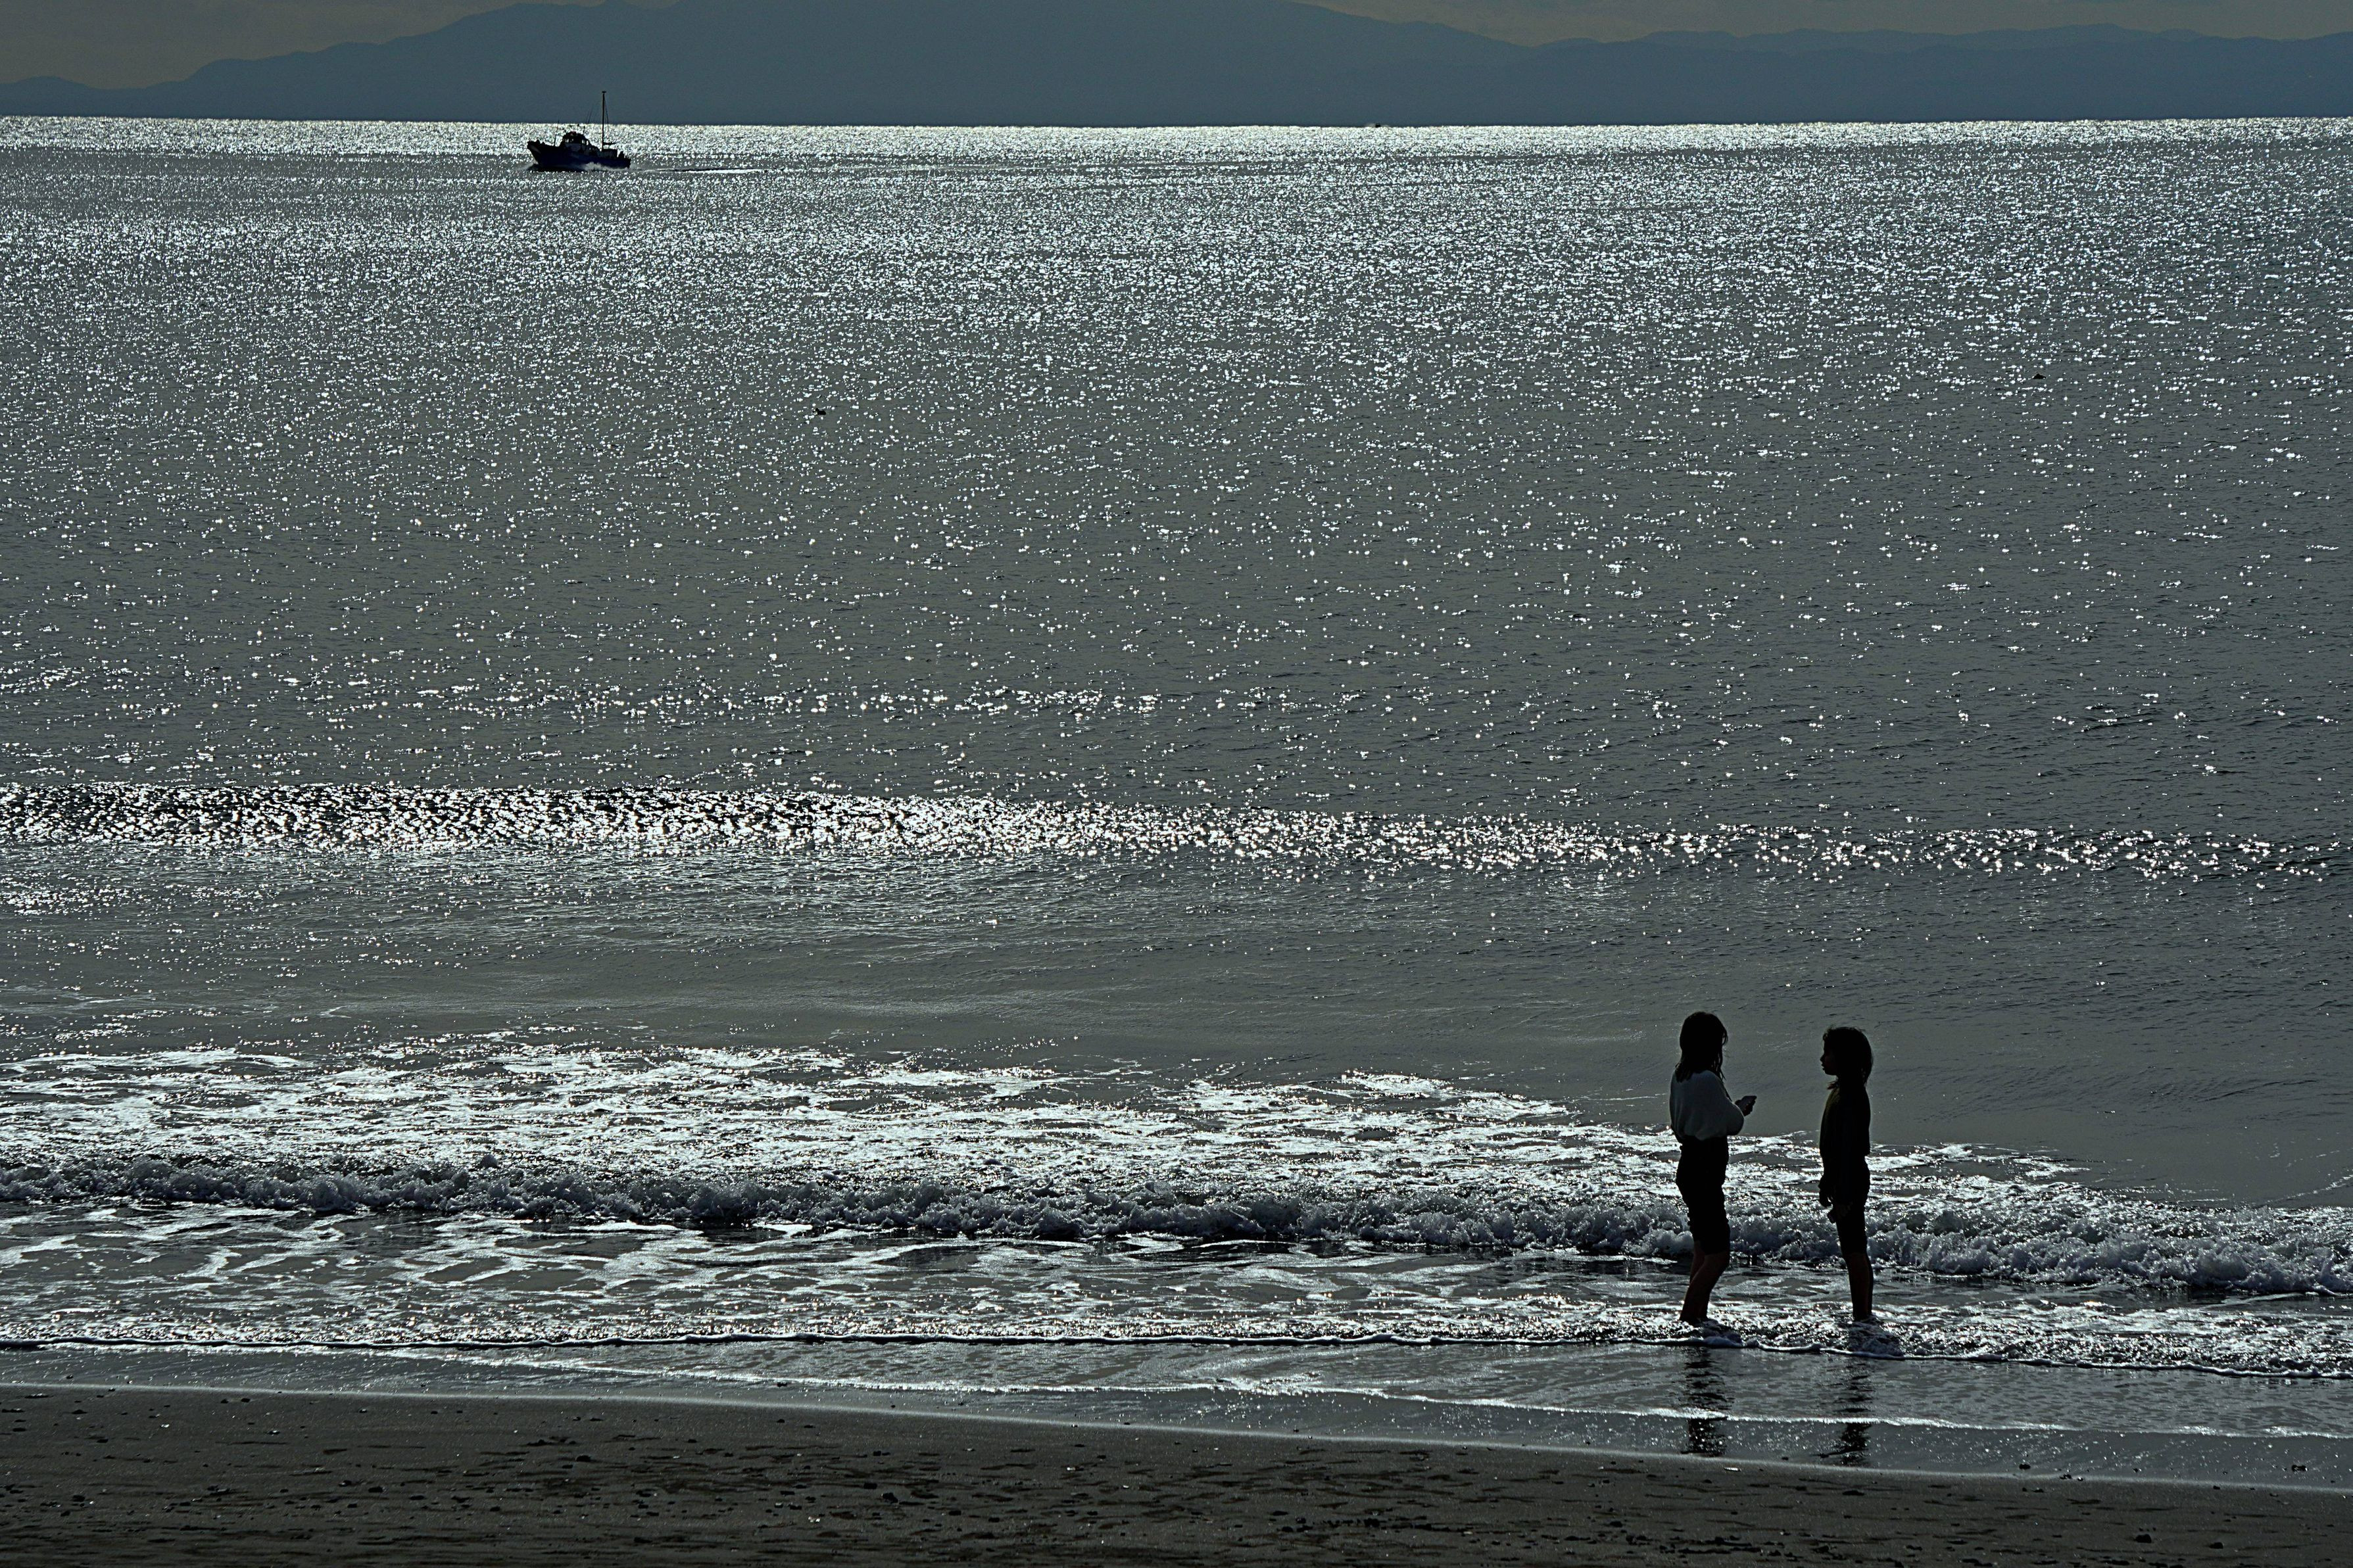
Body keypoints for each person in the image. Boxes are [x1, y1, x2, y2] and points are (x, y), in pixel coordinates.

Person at [1668, 1010, 1753, 1325]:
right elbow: (1732, 1123)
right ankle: (1689, 1315)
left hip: (1689, 1164)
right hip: (1706, 1169)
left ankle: (1697, 1317)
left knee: (1703, 1248)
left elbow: (1692, 1120)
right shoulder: (1708, 1080)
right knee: (1719, 1255)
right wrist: (1740, 1109)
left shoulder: (1681, 1076)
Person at [1818, 1025, 1876, 1324]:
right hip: (1843, 1176)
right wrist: (1827, 1180)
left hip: (1851, 1178)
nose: (1822, 1059)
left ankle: (1862, 1315)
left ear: (1845, 1057)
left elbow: (1851, 1151)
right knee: (1853, 1249)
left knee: (1854, 1251)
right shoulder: (1841, 1091)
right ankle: (1864, 1314)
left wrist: (1843, 1193)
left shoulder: (1851, 1095)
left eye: (1828, 1053)